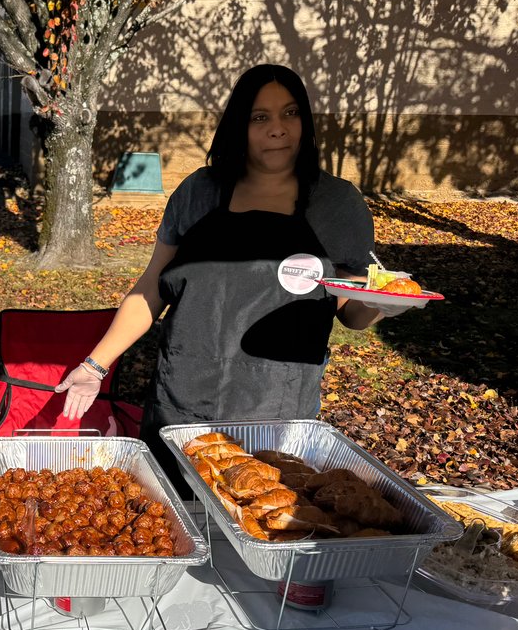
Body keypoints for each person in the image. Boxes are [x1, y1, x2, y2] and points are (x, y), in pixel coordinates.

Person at [55, 64, 407, 476]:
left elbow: (351, 311)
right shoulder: (199, 193)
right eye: (260, 117)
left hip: (278, 410)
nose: (278, 129)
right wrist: (95, 366)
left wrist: (383, 302)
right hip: (184, 402)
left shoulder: (337, 205)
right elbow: (151, 288)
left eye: (290, 114)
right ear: (239, 126)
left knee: (265, 514)